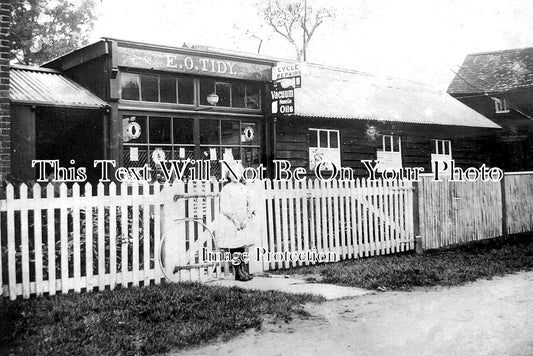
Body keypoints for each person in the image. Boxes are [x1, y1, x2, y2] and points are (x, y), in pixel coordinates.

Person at [216, 161, 255, 281]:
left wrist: (247, 218)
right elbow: (225, 207)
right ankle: (237, 272)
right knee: (235, 245)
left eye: (238, 172)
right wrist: (235, 220)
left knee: (242, 245)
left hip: (243, 220)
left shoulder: (244, 188)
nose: (235, 175)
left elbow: (250, 203)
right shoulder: (226, 189)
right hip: (232, 221)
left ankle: (243, 269)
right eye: (233, 173)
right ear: (228, 175)